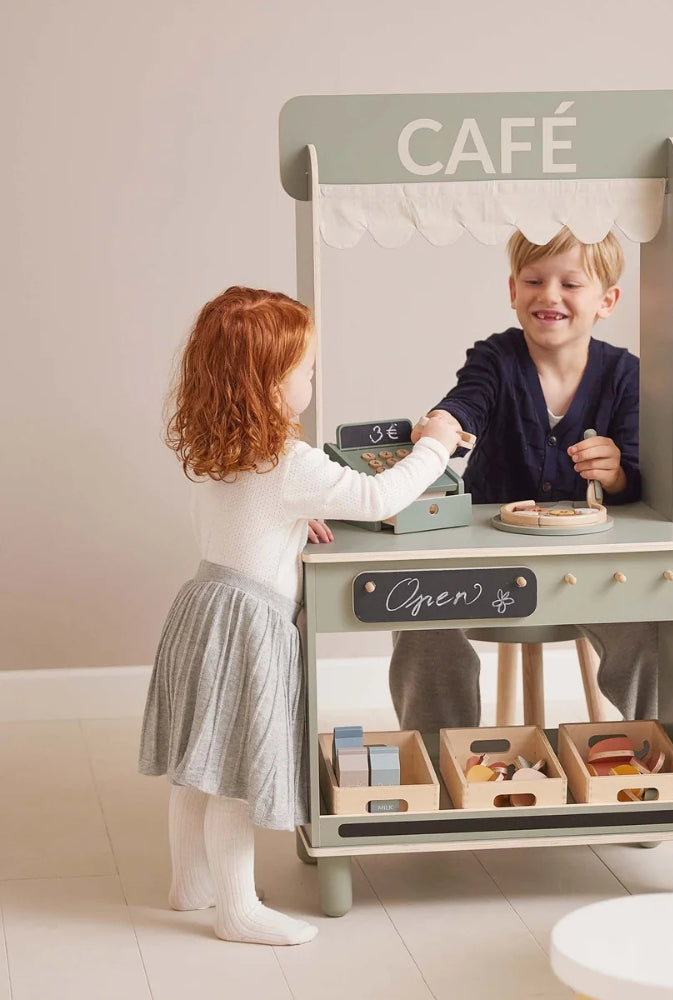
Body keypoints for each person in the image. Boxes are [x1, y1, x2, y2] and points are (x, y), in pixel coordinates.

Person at [138, 286, 461, 945]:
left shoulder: (219, 450)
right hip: (249, 626)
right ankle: (237, 911)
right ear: (270, 384)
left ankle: (190, 883)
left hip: (203, 608)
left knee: (198, 762)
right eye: (307, 370)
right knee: (233, 772)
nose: (313, 380)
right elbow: (377, 497)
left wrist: (293, 518)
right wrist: (435, 445)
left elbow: (246, 519)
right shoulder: (289, 462)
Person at [389, 227, 657, 731]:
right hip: (487, 557)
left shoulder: (625, 375)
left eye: (570, 284)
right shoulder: (495, 358)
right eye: (534, 281)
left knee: (651, 627)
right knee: (419, 616)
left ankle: (655, 752)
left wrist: (617, 474)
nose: (549, 295)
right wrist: (445, 422)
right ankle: (438, 754)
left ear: (606, 300)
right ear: (513, 290)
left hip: (588, 565)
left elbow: (639, 480)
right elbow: (466, 402)